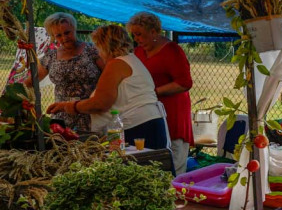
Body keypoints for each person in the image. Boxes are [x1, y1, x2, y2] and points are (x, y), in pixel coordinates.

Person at [45, 25, 169, 153]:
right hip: (146, 124)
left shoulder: (116, 64)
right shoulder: (130, 59)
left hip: (136, 127)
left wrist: (70, 106)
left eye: (97, 45)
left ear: (104, 45)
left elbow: (100, 103)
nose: (97, 50)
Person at [127, 13, 194, 176]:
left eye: (140, 34)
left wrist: (153, 92)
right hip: (149, 113)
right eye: (133, 34)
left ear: (154, 32)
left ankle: (176, 193)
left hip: (173, 111)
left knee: (174, 158)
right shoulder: (138, 52)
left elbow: (184, 83)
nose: (136, 38)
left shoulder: (172, 50)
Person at [33, 12, 104, 133]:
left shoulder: (92, 50)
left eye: (67, 33)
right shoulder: (50, 56)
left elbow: (109, 74)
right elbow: (32, 80)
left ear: (74, 29)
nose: (64, 38)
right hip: (60, 117)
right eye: (58, 35)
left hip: (89, 114)